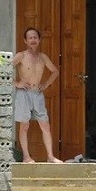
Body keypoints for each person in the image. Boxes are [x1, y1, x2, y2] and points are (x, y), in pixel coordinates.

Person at [13, 27, 63, 163]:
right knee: (24, 125)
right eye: (30, 37)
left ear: (39, 40)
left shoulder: (43, 57)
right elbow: (4, 69)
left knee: (45, 125)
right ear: (25, 40)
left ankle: (50, 156)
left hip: (37, 94)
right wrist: (16, 83)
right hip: (24, 93)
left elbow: (55, 71)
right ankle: (26, 157)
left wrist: (46, 85)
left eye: (35, 37)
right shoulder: (21, 56)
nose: (33, 40)